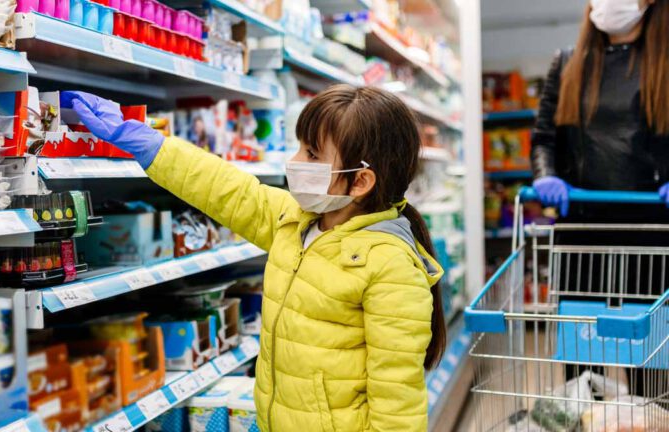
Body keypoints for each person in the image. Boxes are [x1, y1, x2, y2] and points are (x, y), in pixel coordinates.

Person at [61, 85, 446, 431]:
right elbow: (225, 189)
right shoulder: (296, 222)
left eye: (311, 154)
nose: (294, 161)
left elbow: (398, 404)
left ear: (360, 181)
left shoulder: (391, 267)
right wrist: (147, 143)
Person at [531, 0, 669, 398]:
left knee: (652, 362)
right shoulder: (569, 63)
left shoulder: (663, 63)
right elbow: (544, 138)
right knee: (582, 364)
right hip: (583, 233)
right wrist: (546, 175)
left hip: (651, 234)